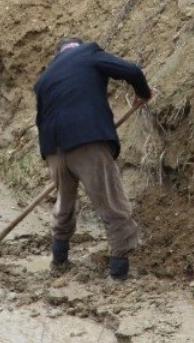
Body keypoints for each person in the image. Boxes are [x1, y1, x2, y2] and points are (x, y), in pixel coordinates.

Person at [33, 37, 152, 280]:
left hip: (53, 149)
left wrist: (55, 155)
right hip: (87, 141)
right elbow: (131, 70)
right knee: (111, 204)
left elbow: (40, 119)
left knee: (64, 205)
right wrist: (143, 92)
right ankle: (119, 273)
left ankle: (59, 262)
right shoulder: (88, 53)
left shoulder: (45, 78)